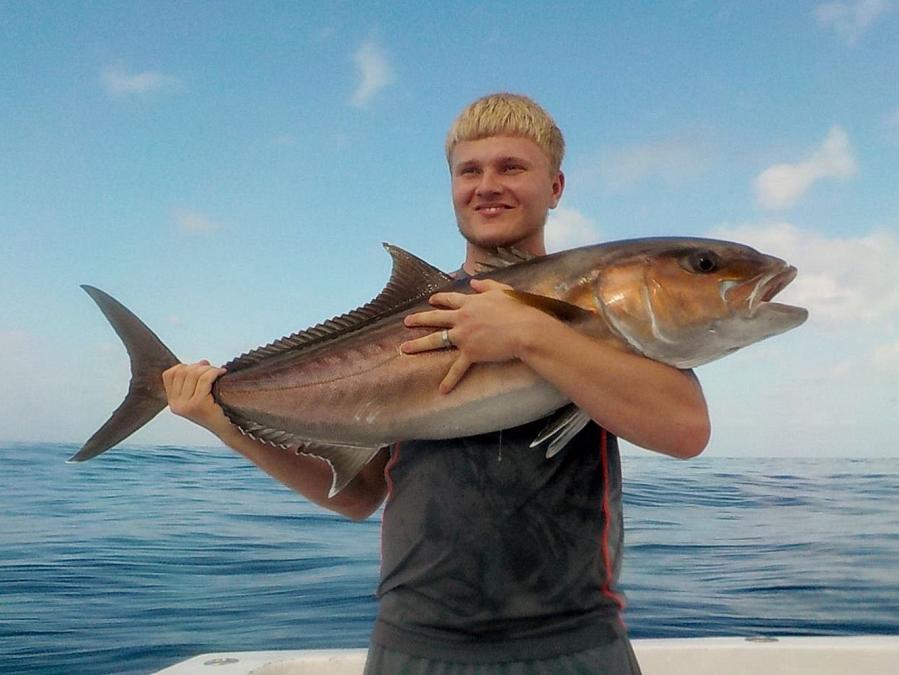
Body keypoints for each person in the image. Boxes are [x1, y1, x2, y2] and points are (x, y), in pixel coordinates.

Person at [162, 93, 710, 674]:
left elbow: (685, 430)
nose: (488, 185)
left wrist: (529, 333)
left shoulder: (606, 313)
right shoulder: (419, 313)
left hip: (576, 645)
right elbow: (355, 495)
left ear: (555, 187)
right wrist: (223, 420)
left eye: (513, 168)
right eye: (469, 171)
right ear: (452, 186)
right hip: (415, 647)